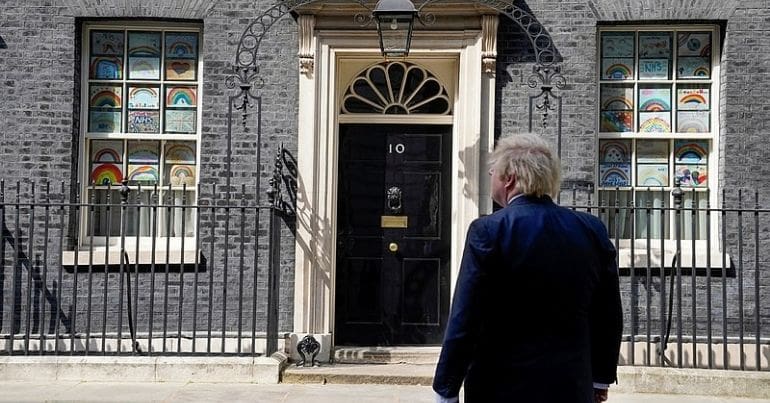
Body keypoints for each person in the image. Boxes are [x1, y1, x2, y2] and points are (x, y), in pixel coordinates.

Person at [432, 133, 623, 403]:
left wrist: (446, 388)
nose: (490, 177)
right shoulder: (591, 229)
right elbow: (608, 314)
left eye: (492, 172)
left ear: (508, 178)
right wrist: (600, 377)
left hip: (500, 385)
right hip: (571, 385)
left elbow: (466, 317)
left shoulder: (489, 230)